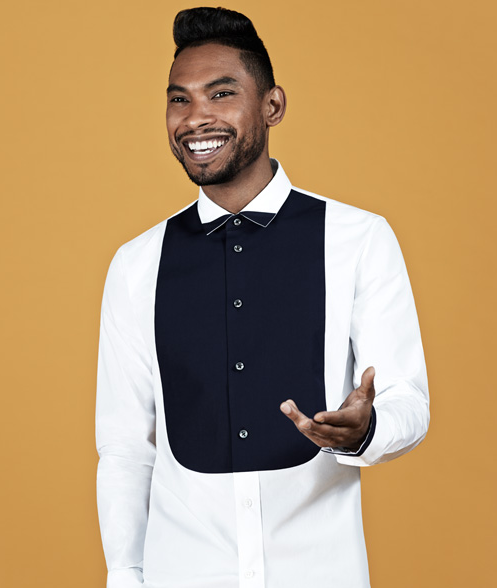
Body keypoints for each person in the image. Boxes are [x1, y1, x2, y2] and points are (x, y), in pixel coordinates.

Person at [95, 7, 430, 587]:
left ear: (272, 105)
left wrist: (367, 429)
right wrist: (124, 576)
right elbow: (126, 447)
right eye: (179, 100)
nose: (195, 118)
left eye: (221, 93)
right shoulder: (136, 265)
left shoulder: (358, 238)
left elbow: (407, 399)